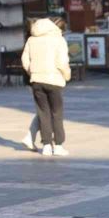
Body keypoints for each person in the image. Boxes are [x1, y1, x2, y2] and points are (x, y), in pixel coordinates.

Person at [21, 18, 71, 157]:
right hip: (54, 79)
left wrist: (32, 71)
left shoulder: (32, 40)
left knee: (43, 113)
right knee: (56, 113)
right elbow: (62, 62)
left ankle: (47, 146)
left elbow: (25, 59)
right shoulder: (58, 40)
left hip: (37, 80)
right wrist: (67, 75)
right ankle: (59, 145)